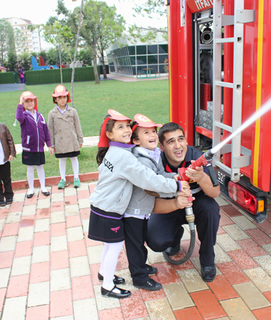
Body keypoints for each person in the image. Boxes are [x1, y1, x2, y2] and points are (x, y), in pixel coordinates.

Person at [88, 109, 189, 299]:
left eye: (127, 126)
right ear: (109, 134)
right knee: (117, 246)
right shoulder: (126, 157)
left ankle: (106, 273)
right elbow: (148, 180)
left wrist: (172, 179)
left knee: (113, 246)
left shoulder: (117, 151)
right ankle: (115, 284)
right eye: (121, 127)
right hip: (112, 210)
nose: (126, 129)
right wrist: (175, 185)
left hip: (106, 207)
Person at [146, 122, 221, 282]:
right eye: (171, 141)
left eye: (181, 139)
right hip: (170, 206)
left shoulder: (197, 158)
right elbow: (152, 205)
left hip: (197, 205)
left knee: (210, 209)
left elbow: (215, 192)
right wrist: (176, 203)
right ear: (162, 147)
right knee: (155, 241)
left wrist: (201, 177)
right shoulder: (156, 163)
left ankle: (207, 259)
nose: (178, 146)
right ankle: (174, 237)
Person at [124, 114, 180, 291]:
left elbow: (160, 176)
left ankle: (141, 266)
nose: (153, 135)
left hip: (143, 208)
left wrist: (174, 176)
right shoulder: (142, 160)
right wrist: (176, 186)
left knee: (139, 241)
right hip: (133, 210)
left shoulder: (152, 154)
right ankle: (139, 277)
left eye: (154, 131)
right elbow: (151, 184)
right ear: (136, 140)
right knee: (135, 244)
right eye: (146, 132)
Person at [16, 91, 53, 198]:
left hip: (39, 148)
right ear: (23, 103)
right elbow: (18, 117)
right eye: (26, 101)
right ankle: (31, 189)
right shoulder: (23, 116)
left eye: (31, 101)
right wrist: (19, 104)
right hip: (28, 148)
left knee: (40, 167)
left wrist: (49, 145)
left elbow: (46, 132)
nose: (29, 103)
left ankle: (43, 187)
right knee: (30, 168)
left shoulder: (40, 116)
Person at [48, 85, 84, 189]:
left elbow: (78, 126)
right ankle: (62, 178)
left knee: (74, 158)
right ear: (55, 99)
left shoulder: (72, 111)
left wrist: (80, 139)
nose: (62, 100)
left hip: (72, 140)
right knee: (62, 159)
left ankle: (76, 177)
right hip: (60, 141)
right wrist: (51, 144)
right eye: (59, 97)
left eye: (64, 97)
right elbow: (50, 129)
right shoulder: (52, 113)